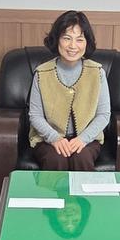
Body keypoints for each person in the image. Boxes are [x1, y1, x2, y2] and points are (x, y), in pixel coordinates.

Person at [28, 10, 111, 171]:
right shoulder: (42, 73)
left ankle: (83, 191)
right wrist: (54, 138)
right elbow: (35, 115)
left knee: (82, 157)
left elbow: (103, 115)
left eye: (79, 39)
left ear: (86, 43)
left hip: (87, 139)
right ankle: (52, 190)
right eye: (67, 38)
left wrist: (82, 139)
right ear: (57, 40)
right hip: (47, 140)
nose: (73, 46)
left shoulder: (97, 73)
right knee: (56, 158)